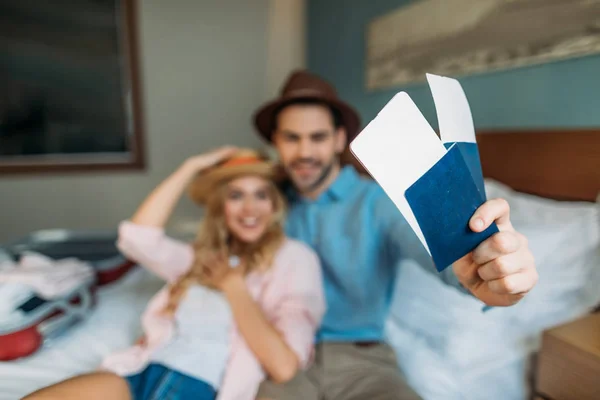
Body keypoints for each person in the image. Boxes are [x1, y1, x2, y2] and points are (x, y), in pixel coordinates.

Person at [252, 70, 539, 400]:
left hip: (362, 363)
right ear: (275, 141)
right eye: (291, 138)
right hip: (280, 357)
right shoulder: (263, 204)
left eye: (317, 137)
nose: (304, 152)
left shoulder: (378, 203)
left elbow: (442, 258)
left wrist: (488, 273)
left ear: (339, 139)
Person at [23, 148, 325, 400]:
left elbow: (284, 366)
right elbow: (137, 238)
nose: (250, 208)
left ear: (275, 204)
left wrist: (234, 287)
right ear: (221, 206)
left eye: (261, 195)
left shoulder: (295, 259)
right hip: (137, 369)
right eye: (235, 195)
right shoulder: (199, 257)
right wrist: (191, 166)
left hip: (195, 383)